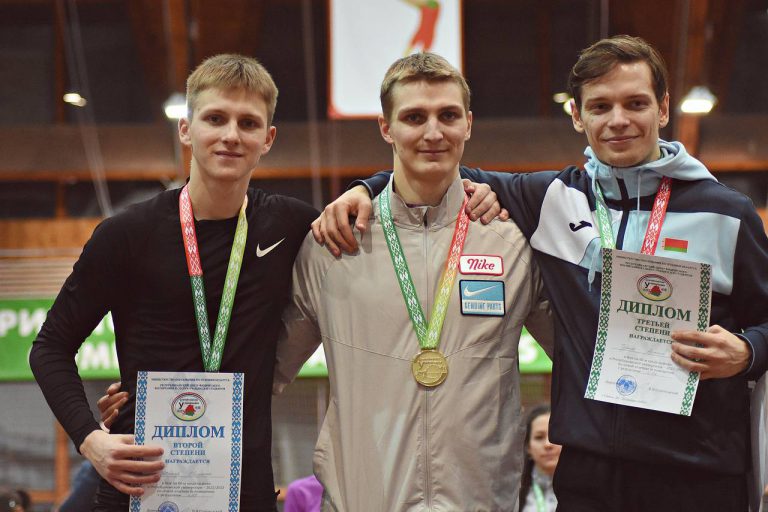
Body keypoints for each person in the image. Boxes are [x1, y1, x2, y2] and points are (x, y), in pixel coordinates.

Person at [315, 36, 768, 511]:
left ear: (663, 108)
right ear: (577, 115)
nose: (618, 120)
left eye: (635, 103)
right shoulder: (553, 198)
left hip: (698, 471)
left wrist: (748, 351)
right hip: (590, 473)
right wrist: (365, 188)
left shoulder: (726, 213)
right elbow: (435, 169)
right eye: (600, 106)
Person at [29, 54, 321, 512]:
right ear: (186, 129)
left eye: (248, 123)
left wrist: (366, 190)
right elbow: (49, 346)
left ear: (268, 138)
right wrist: (89, 439)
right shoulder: (126, 234)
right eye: (215, 118)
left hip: (244, 492)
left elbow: (379, 215)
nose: (231, 135)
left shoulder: (292, 226)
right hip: (137, 487)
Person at [273, 52, 553, 511]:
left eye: (448, 116)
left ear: (468, 124)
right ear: (386, 128)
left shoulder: (510, 242)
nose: (433, 132)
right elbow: (267, 371)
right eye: (414, 117)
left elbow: (578, 356)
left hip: (479, 503)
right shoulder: (334, 244)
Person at [520, 404, 561, 512]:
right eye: (539, 437)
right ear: (528, 446)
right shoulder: (512, 492)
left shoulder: (588, 489)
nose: (548, 444)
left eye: (555, 436)